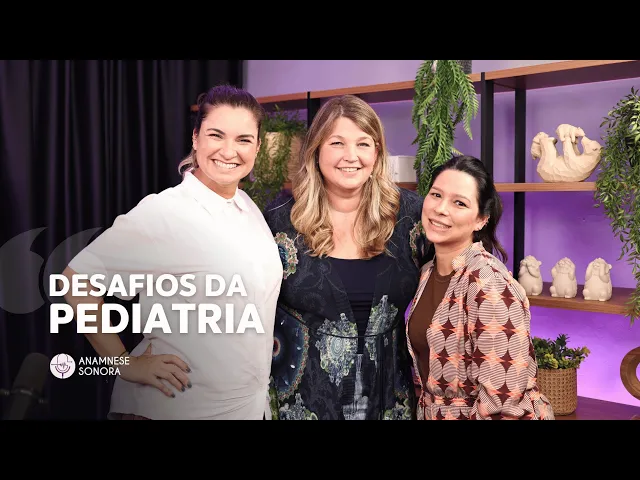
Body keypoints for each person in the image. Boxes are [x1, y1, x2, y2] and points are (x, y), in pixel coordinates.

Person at [61, 84, 283, 420]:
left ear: (258, 147)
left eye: (243, 139)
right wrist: (125, 363)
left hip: (242, 407)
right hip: (175, 406)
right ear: (195, 138)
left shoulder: (247, 206)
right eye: (216, 135)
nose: (229, 151)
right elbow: (75, 281)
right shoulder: (165, 212)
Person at [263, 94, 430, 420]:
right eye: (337, 143)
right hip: (302, 405)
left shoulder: (413, 215)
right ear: (316, 151)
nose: (351, 156)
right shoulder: (279, 220)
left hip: (390, 405)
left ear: (377, 152)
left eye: (363, 144)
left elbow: (455, 279)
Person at [405, 155, 555, 420]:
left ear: (481, 220)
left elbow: (503, 400)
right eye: (436, 195)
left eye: (459, 203)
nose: (441, 209)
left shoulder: (487, 281)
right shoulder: (427, 272)